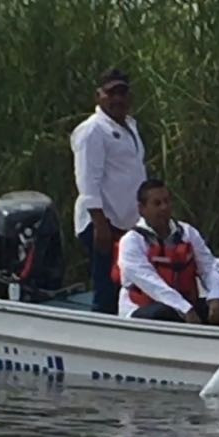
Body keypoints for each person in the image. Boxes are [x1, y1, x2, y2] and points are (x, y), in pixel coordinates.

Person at [71, 68, 148, 314]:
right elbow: (87, 180)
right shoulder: (92, 130)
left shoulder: (130, 125)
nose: (117, 99)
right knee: (106, 286)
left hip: (127, 222)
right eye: (111, 93)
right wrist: (100, 224)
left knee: (124, 285)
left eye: (122, 92)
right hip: (103, 223)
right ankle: (99, 331)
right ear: (98, 96)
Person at [114, 179, 219, 324]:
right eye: (157, 203)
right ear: (141, 209)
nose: (164, 207)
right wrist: (184, 308)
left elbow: (209, 267)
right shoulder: (132, 241)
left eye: (167, 201)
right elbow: (151, 283)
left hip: (185, 305)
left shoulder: (187, 233)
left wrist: (217, 297)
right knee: (163, 313)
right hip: (143, 308)